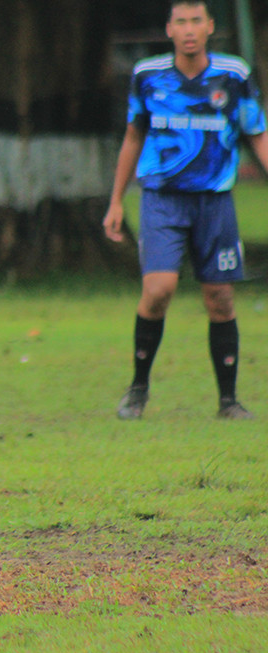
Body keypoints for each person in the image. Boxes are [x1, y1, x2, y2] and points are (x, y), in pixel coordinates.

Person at [102, 0, 268, 420]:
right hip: (162, 200)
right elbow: (132, 137)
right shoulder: (148, 76)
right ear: (169, 29)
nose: (189, 29)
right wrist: (116, 200)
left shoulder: (233, 76)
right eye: (181, 22)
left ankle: (228, 402)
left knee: (221, 300)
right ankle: (138, 390)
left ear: (210, 26)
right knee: (157, 292)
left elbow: (258, 134)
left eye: (197, 20)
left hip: (215, 204)